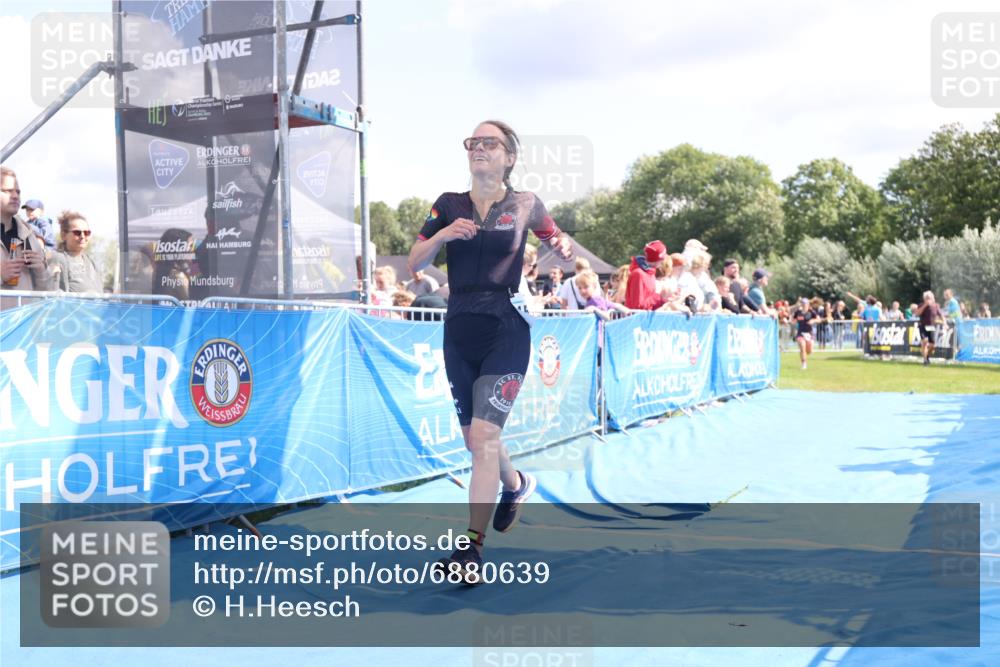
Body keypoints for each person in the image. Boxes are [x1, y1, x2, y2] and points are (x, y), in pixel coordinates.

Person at [407, 120, 572, 582]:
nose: (478, 148)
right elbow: (413, 262)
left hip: (506, 327)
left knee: (482, 439)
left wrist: (562, 246)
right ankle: (516, 485)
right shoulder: (447, 204)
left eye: (488, 143)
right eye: (472, 143)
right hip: (458, 327)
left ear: (509, 157)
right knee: (475, 439)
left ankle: (470, 553)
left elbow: (560, 243)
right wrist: (441, 237)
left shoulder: (525, 204)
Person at [1, 167, 51, 291]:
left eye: (18, 192)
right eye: (7, 191)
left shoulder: (29, 235)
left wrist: (41, 272)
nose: (15, 196)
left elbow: (45, 292)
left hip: (24, 310)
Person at [49, 211, 103, 293]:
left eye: (86, 233)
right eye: (77, 232)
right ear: (63, 235)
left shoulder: (91, 262)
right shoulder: (57, 258)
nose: (82, 236)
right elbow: (54, 292)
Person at [625, 240, 668, 310]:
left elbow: (650, 304)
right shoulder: (638, 274)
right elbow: (637, 306)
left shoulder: (651, 273)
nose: (664, 261)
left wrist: (665, 299)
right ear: (656, 258)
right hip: (635, 319)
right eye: (662, 258)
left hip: (645, 319)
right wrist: (658, 296)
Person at [915, 290, 945, 366]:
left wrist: (945, 323)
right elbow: (917, 313)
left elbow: (941, 315)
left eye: (929, 298)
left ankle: (927, 356)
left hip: (931, 327)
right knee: (924, 341)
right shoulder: (921, 305)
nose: (928, 299)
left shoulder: (936, 306)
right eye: (926, 298)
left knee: (932, 345)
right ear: (924, 299)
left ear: (932, 298)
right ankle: (925, 361)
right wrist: (925, 305)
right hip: (923, 325)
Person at [792, 297, 821, 370]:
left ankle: (805, 354)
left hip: (809, 333)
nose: (804, 305)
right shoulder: (798, 312)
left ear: (808, 304)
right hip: (800, 333)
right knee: (802, 346)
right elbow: (793, 320)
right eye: (803, 303)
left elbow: (819, 319)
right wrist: (791, 321)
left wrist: (813, 321)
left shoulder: (812, 312)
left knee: (809, 351)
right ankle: (804, 363)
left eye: (805, 303)